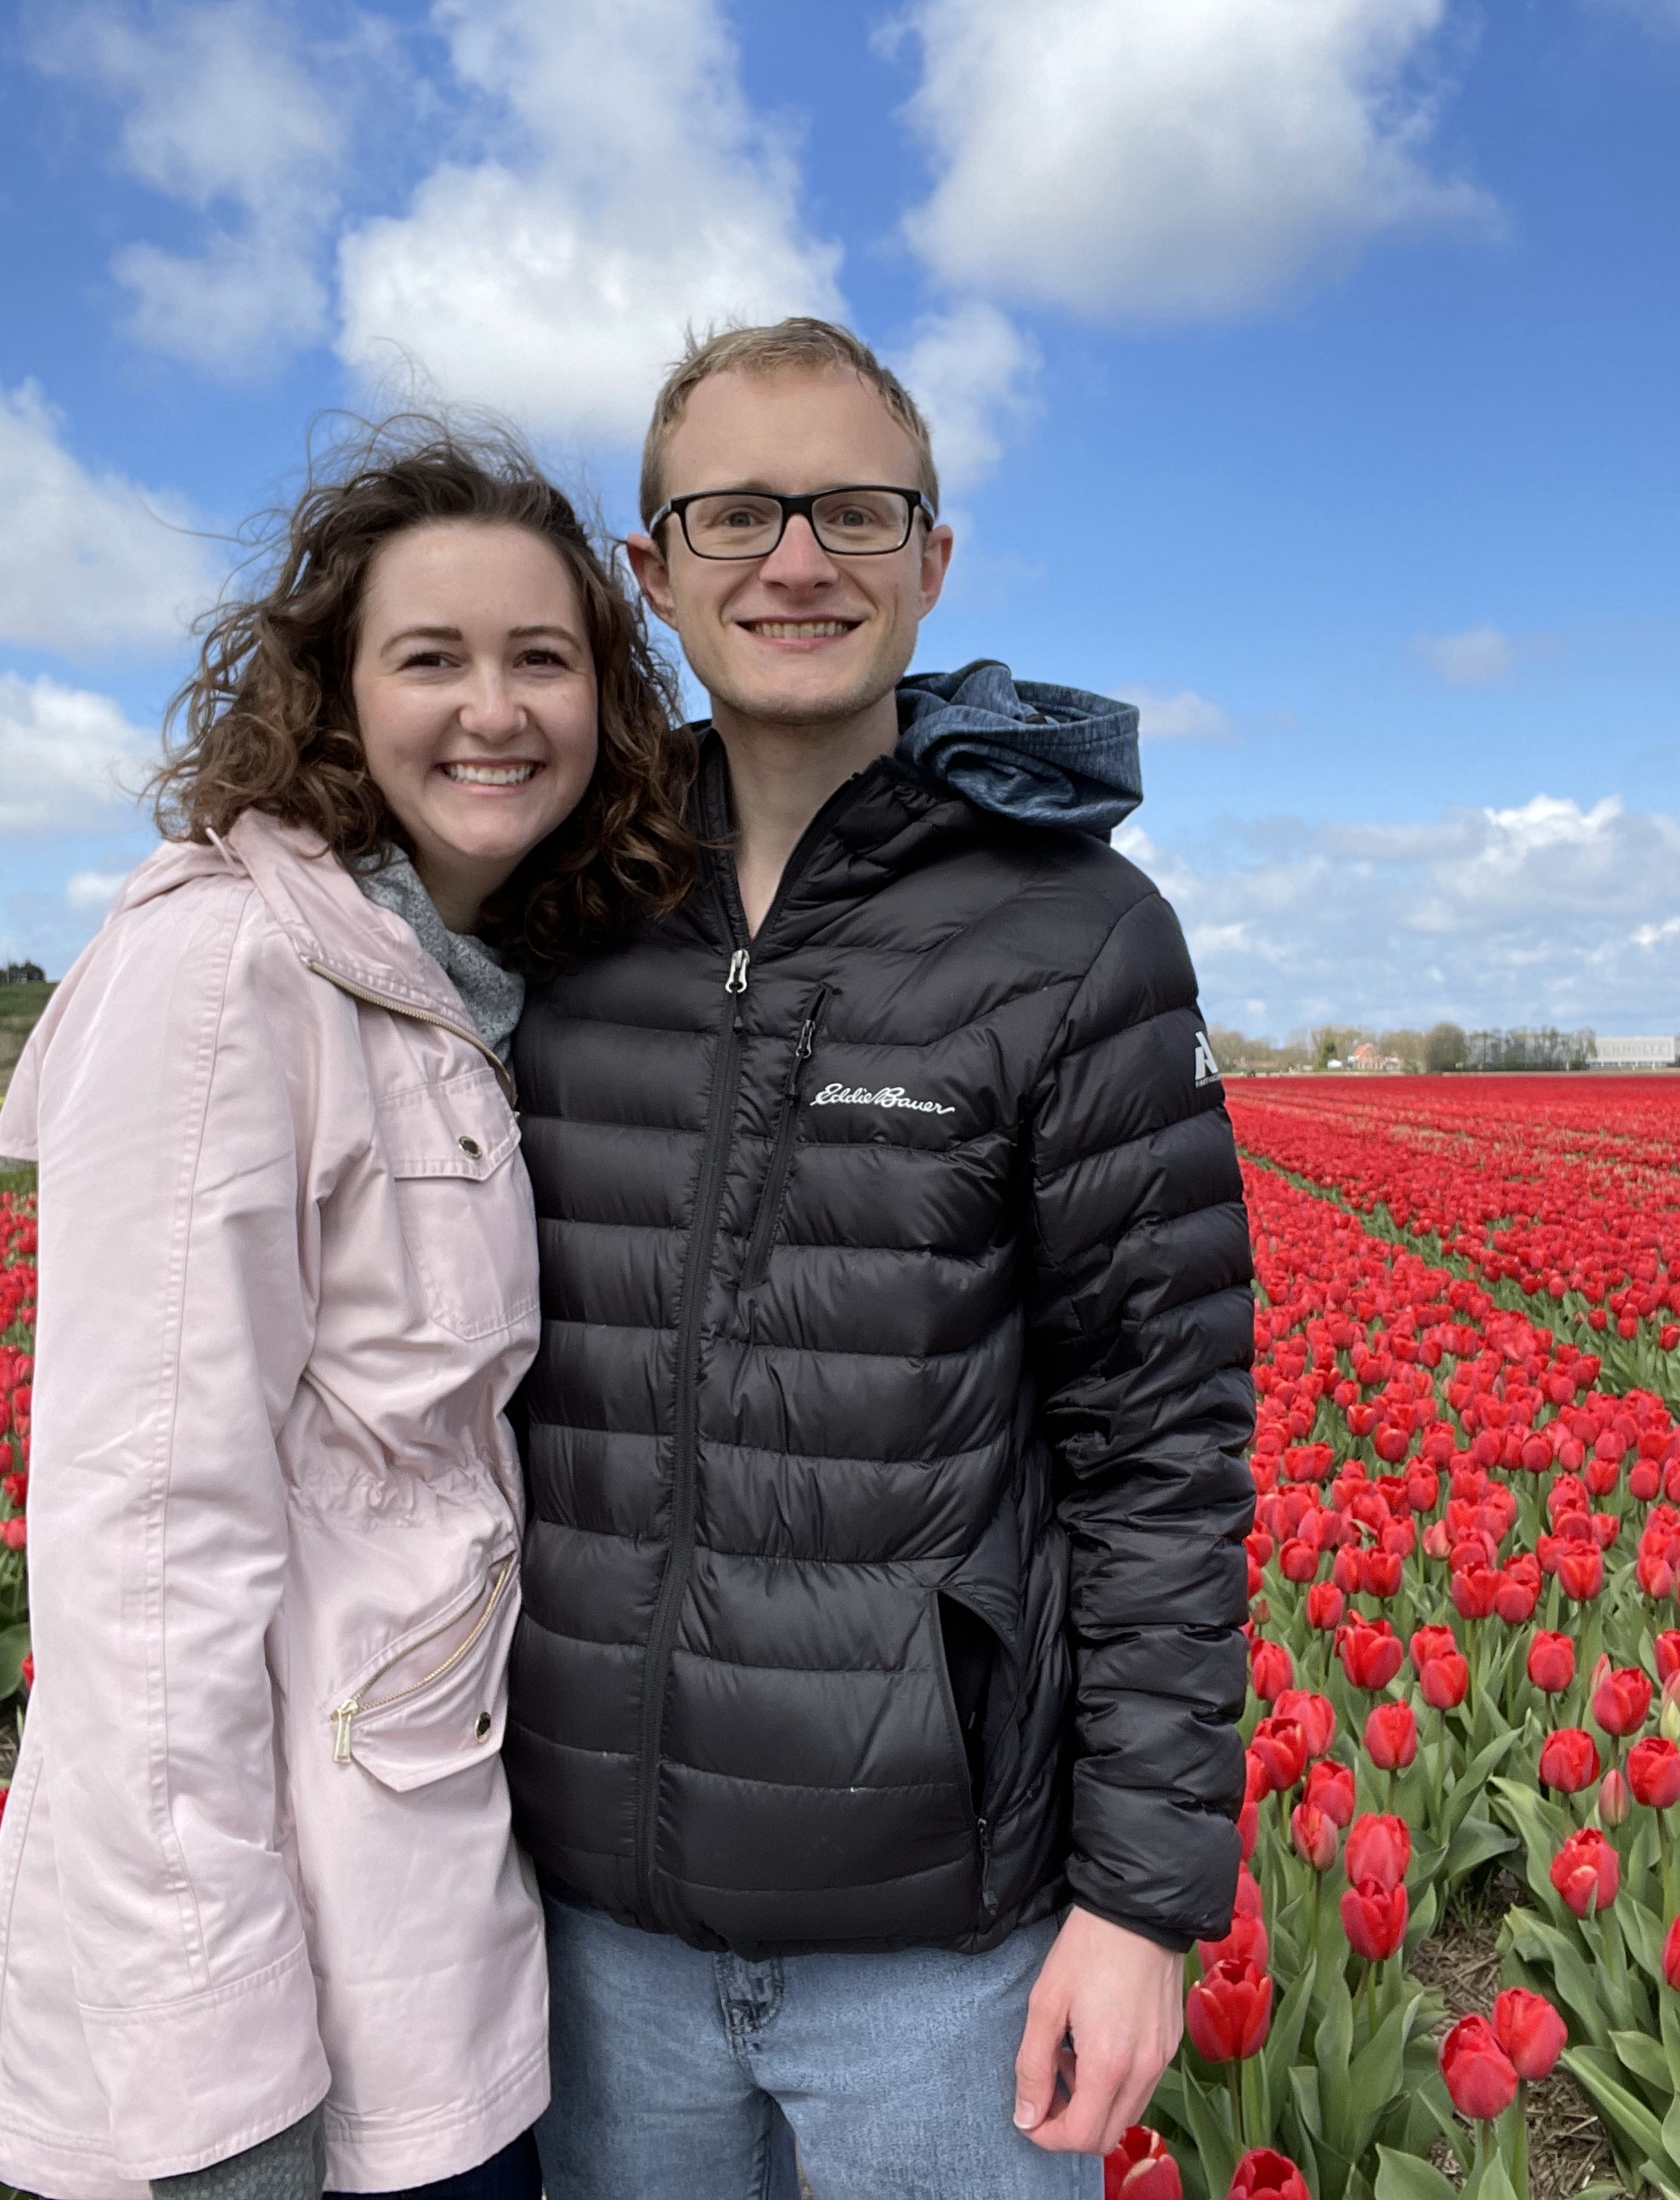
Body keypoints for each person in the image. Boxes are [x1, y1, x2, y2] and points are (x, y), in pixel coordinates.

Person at [506, 319, 1257, 2199]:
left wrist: (1143, 1908)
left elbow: (1162, 1453)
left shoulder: (1076, 936)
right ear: (650, 569)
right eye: (736, 513)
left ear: (934, 559)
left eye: (854, 510)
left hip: (944, 1954)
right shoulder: (551, 911)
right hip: (584, 1926)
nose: (796, 560)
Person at [0, 421, 701, 2200]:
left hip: (434, 1903)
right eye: (430, 658)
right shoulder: (227, 973)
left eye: (543, 659)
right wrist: (218, 2081)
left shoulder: (460, 986)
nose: (493, 709)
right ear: (334, 696)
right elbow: (146, 1542)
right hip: (289, 2009)